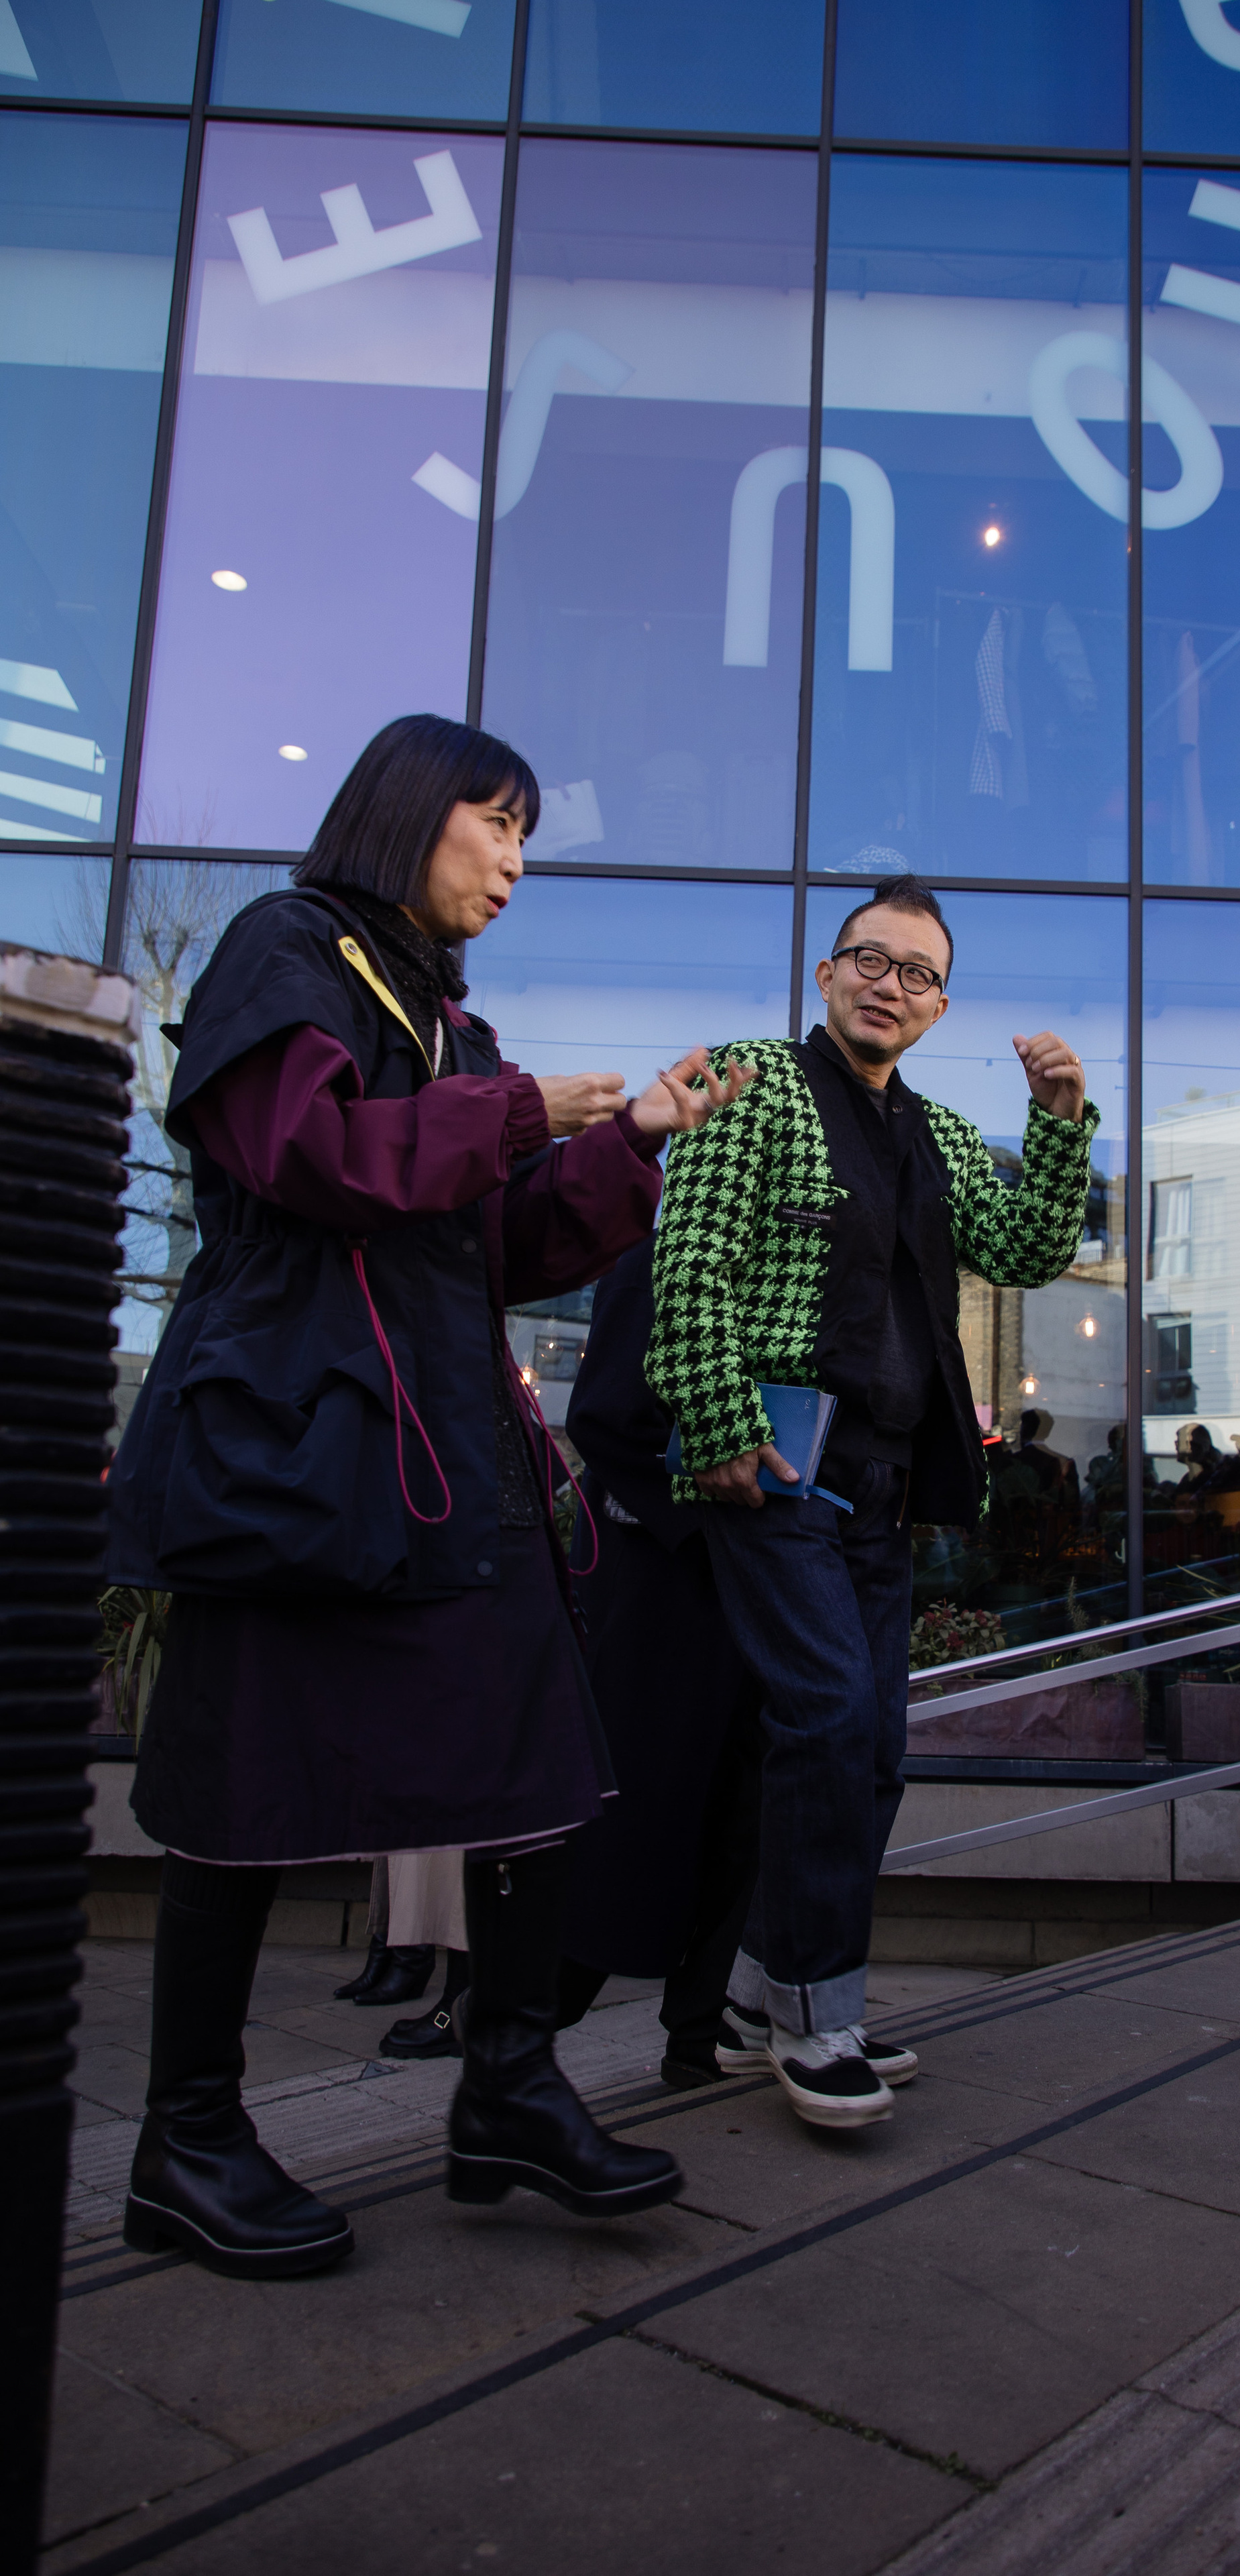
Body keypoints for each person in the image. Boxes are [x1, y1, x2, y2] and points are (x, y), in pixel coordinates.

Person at [103, 713, 748, 2277]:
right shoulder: (285, 947)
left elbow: (496, 1243)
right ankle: (187, 2138)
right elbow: (303, 1149)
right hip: (293, 1443)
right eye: (500, 823)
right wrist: (523, 1112)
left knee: (539, 1758)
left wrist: (633, 1142)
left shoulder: (451, 1028)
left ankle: (509, 2085)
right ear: (410, 813)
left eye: (528, 834)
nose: (519, 860)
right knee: (244, 1791)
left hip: (446, 1462)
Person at [646, 876, 1096, 2127]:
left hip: (888, 1484)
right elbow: (691, 1262)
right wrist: (724, 1426)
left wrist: (1059, 1119)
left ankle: (749, 1999)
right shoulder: (754, 1081)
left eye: (917, 972)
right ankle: (816, 2014)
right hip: (781, 1460)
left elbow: (1027, 1249)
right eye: (870, 959)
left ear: (940, 1005)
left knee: (875, 1745)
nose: (890, 984)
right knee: (832, 1719)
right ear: (826, 974)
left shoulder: (942, 1135)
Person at [555, 1238, 765, 2088]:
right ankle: (526, 2024)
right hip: (661, 1576)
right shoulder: (657, 1253)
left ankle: (697, 2034)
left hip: (745, 1568)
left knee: (738, 1809)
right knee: (638, 1809)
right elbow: (602, 1419)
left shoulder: (775, 1261)